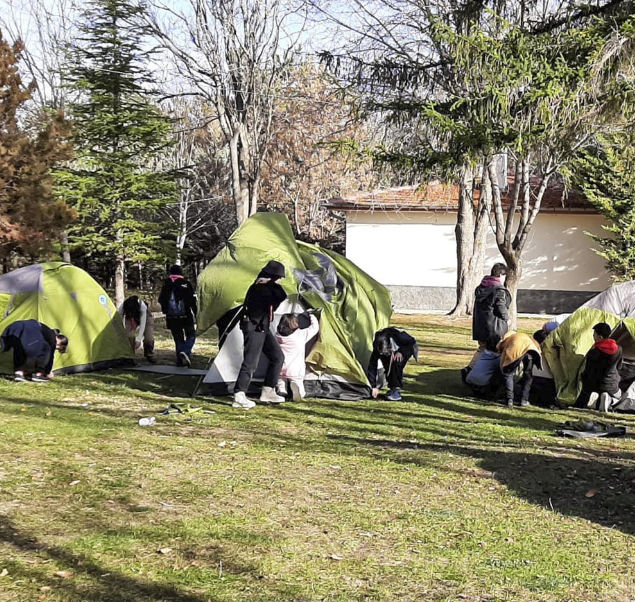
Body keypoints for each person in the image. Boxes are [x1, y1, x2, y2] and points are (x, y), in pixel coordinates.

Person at [233, 260, 288, 409]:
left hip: (262, 326)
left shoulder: (267, 287)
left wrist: (270, 283)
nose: (281, 281)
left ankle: (268, 391)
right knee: (250, 362)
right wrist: (269, 284)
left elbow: (280, 296)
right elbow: (278, 295)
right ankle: (239, 394)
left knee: (277, 357)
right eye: (279, 278)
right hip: (254, 327)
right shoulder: (259, 288)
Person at [466, 263, 512, 374]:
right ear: (501, 275)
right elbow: (500, 306)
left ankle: (470, 369)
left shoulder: (481, 287)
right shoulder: (498, 290)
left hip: (481, 325)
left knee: (482, 349)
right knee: (495, 351)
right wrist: (507, 319)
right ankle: (487, 375)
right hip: (494, 327)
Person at [574, 322, 623, 412]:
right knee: (619, 395)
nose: (593, 336)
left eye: (594, 334)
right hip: (612, 384)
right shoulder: (618, 349)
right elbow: (619, 367)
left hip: (595, 385)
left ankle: (599, 398)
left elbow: (588, 371)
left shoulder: (594, 352)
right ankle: (610, 400)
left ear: (600, 337)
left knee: (586, 391)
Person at [1, 319, 68, 382]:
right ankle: (38, 375)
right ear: (59, 340)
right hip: (27, 329)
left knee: (20, 348)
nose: (56, 347)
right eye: (58, 346)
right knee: (46, 349)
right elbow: (50, 356)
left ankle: (19, 374)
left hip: (14, 327)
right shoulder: (51, 336)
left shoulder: (43, 331)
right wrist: (48, 372)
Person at [275, 311, 320, 401]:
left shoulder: (277, 335)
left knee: (280, 380)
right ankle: (299, 392)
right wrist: (312, 315)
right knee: (297, 381)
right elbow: (315, 328)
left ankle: (282, 390)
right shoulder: (301, 334)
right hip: (295, 368)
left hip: (280, 366)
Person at [158, 265, 197, 368]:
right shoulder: (185, 284)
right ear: (181, 273)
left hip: (171, 317)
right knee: (191, 334)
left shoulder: (166, 284)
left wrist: (165, 311)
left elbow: (161, 299)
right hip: (185, 315)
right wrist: (196, 313)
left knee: (178, 338)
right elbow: (192, 300)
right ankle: (185, 352)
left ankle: (180, 361)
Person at [367, 327, 418, 401]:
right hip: (391, 349)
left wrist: (401, 352)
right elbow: (372, 366)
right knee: (388, 367)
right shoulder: (378, 347)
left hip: (406, 347)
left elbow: (411, 342)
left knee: (396, 363)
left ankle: (396, 389)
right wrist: (373, 387)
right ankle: (392, 387)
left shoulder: (399, 337)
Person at [496, 331, 542, 408]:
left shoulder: (507, 340)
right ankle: (524, 400)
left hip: (517, 349)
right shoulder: (526, 336)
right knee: (528, 375)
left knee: (508, 373)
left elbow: (503, 362)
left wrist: (503, 368)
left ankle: (509, 400)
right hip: (531, 350)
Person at [118, 295, 155, 363]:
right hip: (131, 319)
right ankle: (130, 355)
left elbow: (143, 324)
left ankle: (149, 354)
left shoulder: (143, 307)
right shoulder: (122, 307)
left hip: (146, 317)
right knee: (129, 336)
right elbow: (119, 321)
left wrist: (138, 339)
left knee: (149, 338)